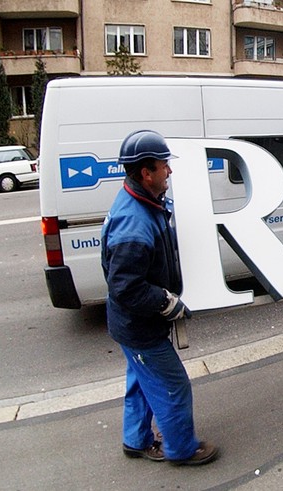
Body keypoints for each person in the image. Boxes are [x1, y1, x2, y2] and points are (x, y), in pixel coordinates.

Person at [101, 129, 219, 466]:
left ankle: (136, 439)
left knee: (141, 380)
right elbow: (126, 287)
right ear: (145, 173)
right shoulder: (134, 224)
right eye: (163, 166)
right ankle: (182, 449)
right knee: (173, 384)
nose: (170, 171)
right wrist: (168, 302)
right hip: (140, 328)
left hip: (131, 326)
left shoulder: (139, 200)